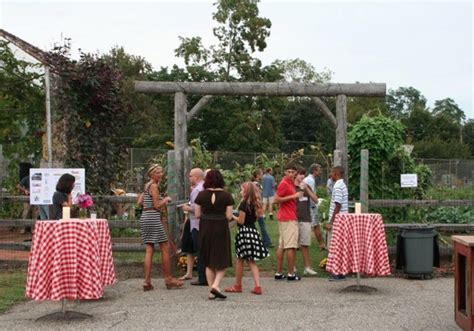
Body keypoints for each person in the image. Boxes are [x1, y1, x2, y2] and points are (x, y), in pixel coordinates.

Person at [137, 164, 184, 291]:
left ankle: (147, 282)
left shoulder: (146, 185)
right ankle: (169, 279)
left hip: (145, 217)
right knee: (165, 247)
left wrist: (155, 201)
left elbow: (140, 202)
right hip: (153, 217)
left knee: (149, 249)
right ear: (152, 174)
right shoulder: (153, 186)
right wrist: (166, 199)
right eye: (158, 172)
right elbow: (157, 205)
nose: (160, 174)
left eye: (161, 172)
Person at [194, 169, 234, 300]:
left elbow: (197, 214)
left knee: (208, 261)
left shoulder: (201, 195)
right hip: (220, 228)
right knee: (222, 260)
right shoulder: (227, 196)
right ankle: (216, 285)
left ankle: (211, 291)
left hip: (205, 227)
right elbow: (228, 216)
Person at [225, 182, 269, 295]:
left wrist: (232, 216)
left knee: (240, 259)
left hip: (244, 232)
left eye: (241, 189)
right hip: (253, 232)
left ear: (245, 191)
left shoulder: (244, 204)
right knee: (251, 261)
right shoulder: (254, 203)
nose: (240, 192)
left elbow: (241, 221)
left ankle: (237, 285)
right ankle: (258, 286)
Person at [274, 163, 304, 281]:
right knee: (290, 246)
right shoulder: (284, 183)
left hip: (286, 216)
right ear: (285, 172)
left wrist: (294, 196)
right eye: (288, 172)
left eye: (293, 172)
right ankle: (291, 273)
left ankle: (279, 272)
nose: (291, 174)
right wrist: (293, 196)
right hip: (288, 218)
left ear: (295, 173)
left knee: (282, 245)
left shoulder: (290, 183)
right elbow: (275, 200)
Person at [180, 168, 207, 286]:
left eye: (190, 176)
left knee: (200, 251)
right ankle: (205, 275)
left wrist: (187, 208)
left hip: (196, 223)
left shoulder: (197, 190)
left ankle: (202, 277)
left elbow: (197, 208)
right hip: (201, 223)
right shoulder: (204, 188)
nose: (189, 178)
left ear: (196, 177)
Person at [326, 166, 349, 281]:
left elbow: (338, 205)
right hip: (342, 219)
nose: (330, 174)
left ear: (336, 174)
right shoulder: (341, 185)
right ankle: (341, 271)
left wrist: (331, 221)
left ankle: (336, 272)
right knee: (340, 246)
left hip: (338, 220)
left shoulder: (338, 186)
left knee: (335, 246)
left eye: (331, 172)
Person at [295, 168, 319, 275]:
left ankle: (307, 267)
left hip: (305, 218)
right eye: (300, 174)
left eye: (303, 175)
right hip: (293, 219)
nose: (302, 177)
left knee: (305, 244)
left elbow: (316, 199)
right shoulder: (291, 187)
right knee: (293, 245)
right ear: (295, 175)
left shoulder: (306, 186)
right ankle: (293, 267)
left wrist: (307, 189)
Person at [303, 164, 326, 250]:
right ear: (314, 171)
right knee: (316, 226)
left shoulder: (307, 179)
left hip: (306, 205)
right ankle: (322, 244)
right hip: (311, 206)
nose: (320, 172)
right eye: (319, 170)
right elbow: (311, 194)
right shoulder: (311, 181)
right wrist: (316, 204)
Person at [251, 169, 272, 248]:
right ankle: (266, 242)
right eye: (261, 174)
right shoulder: (256, 184)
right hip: (257, 207)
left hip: (255, 207)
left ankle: (263, 241)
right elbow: (258, 197)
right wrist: (259, 207)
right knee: (261, 224)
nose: (263, 175)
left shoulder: (253, 184)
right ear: (257, 175)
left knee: (256, 224)